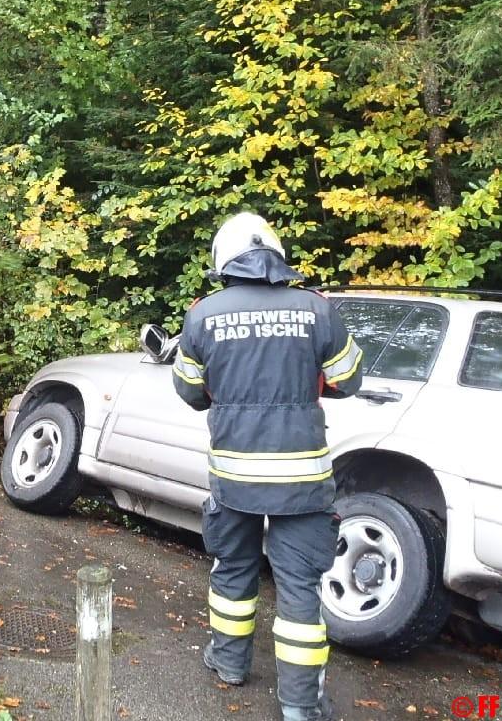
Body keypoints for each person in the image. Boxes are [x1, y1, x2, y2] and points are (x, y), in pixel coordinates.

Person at [172, 212, 363, 721]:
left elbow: (190, 391)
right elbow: (349, 379)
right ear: (276, 256)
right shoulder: (317, 309)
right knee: (299, 590)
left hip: (234, 480)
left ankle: (230, 665)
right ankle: (300, 706)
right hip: (301, 484)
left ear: (224, 261)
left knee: (233, 570)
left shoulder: (202, 315)